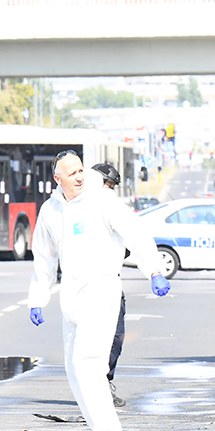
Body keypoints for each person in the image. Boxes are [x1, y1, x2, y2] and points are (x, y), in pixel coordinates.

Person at [28, 152, 170, 431]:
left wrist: (154, 270)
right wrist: (38, 298)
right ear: (58, 179)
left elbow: (136, 232)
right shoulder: (50, 210)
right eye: (71, 173)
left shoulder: (101, 200)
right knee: (73, 368)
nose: (79, 177)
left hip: (102, 287)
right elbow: (44, 256)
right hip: (72, 295)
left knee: (88, 362)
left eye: (81, 170)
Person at [89, 161, 131, 409]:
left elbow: (129, 241)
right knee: (91, 339)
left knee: (115, 337)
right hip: (87, 285)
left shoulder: (114, 208)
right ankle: (92, 387)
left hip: (111, 283)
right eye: (108, 184)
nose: (110, 190)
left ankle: (104, 381)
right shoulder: (78, 209)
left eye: (112, 186)